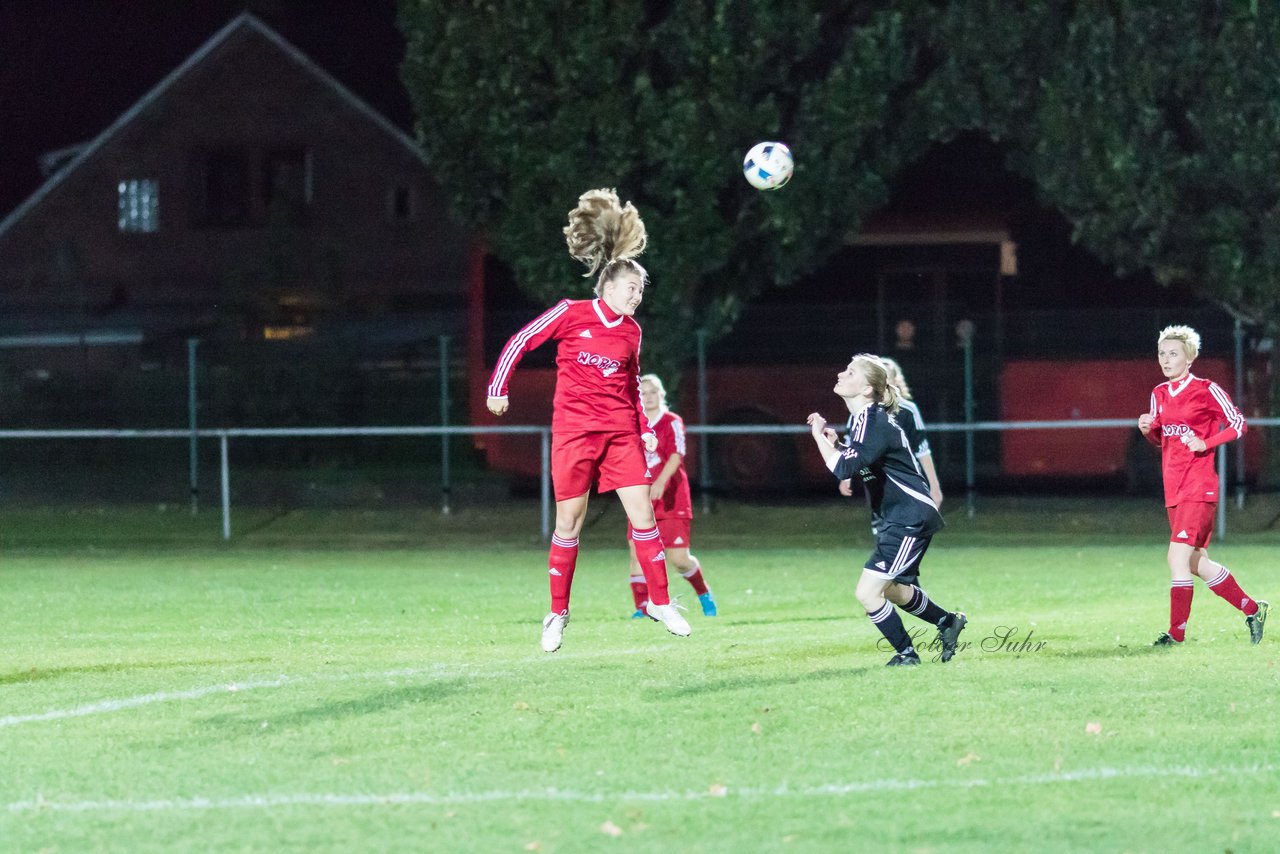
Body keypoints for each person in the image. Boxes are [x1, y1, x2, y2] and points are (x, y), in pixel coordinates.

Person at [486, 188, 691, 652]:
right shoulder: (570, 314)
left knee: (643, 515)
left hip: (621, 434)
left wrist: (645, 432)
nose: (637, 297)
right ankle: (557, 613)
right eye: (632, 289)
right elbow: (520, 342)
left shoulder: (633, 333)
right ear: (609, 286)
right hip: (575, 434)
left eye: (641, 291)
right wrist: (498, 389)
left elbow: (632, 385)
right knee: (569, 522)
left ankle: (659, 601)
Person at [807, 354, 966, 666]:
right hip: (899, 517)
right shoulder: (866, 420)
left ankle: (907, 654)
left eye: (850, 372)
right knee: (892, 589)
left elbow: (843, 469)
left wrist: (819, 439)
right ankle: (947, 622)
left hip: (909, 518)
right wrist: (837, 444)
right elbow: (861, 464)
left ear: (867, 389)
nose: (841, 373)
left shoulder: (873, 420)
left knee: (868, 593)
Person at [1137, 325, 1268, 647]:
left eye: (1173, 354)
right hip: (1174, 488)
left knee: (1176, 558)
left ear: (1189, 358)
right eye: (1162, 354)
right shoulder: (1159, 394)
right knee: (1196, 563)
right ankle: (1253, 610)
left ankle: (1175, 635)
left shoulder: (1207, 389)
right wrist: (1147, 430)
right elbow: (1160, 440)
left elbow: (1239, 424)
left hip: (1199, 486)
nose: (1166, 360)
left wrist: (1205, 442)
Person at [625, 374, 717, 619]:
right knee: (637, 553)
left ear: (662, 395)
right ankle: (642, 608)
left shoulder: (672, 421)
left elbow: (677, 455)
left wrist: (660, 482)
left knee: (678, 559)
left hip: (672, 497)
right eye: (643, 393)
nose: (648, 397)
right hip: (640, 499)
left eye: (653, 391)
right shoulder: (632, 424)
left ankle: (703, 592)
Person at [838, 356, 943, 509]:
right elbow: (850, 441)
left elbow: (922, 449)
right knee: (884, 530)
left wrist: (934, 486)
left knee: (905, 528)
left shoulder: (907, 410)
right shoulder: (861, 410)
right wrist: (845, 475)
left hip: (907, 481)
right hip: (876, 483)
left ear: (893, 383)